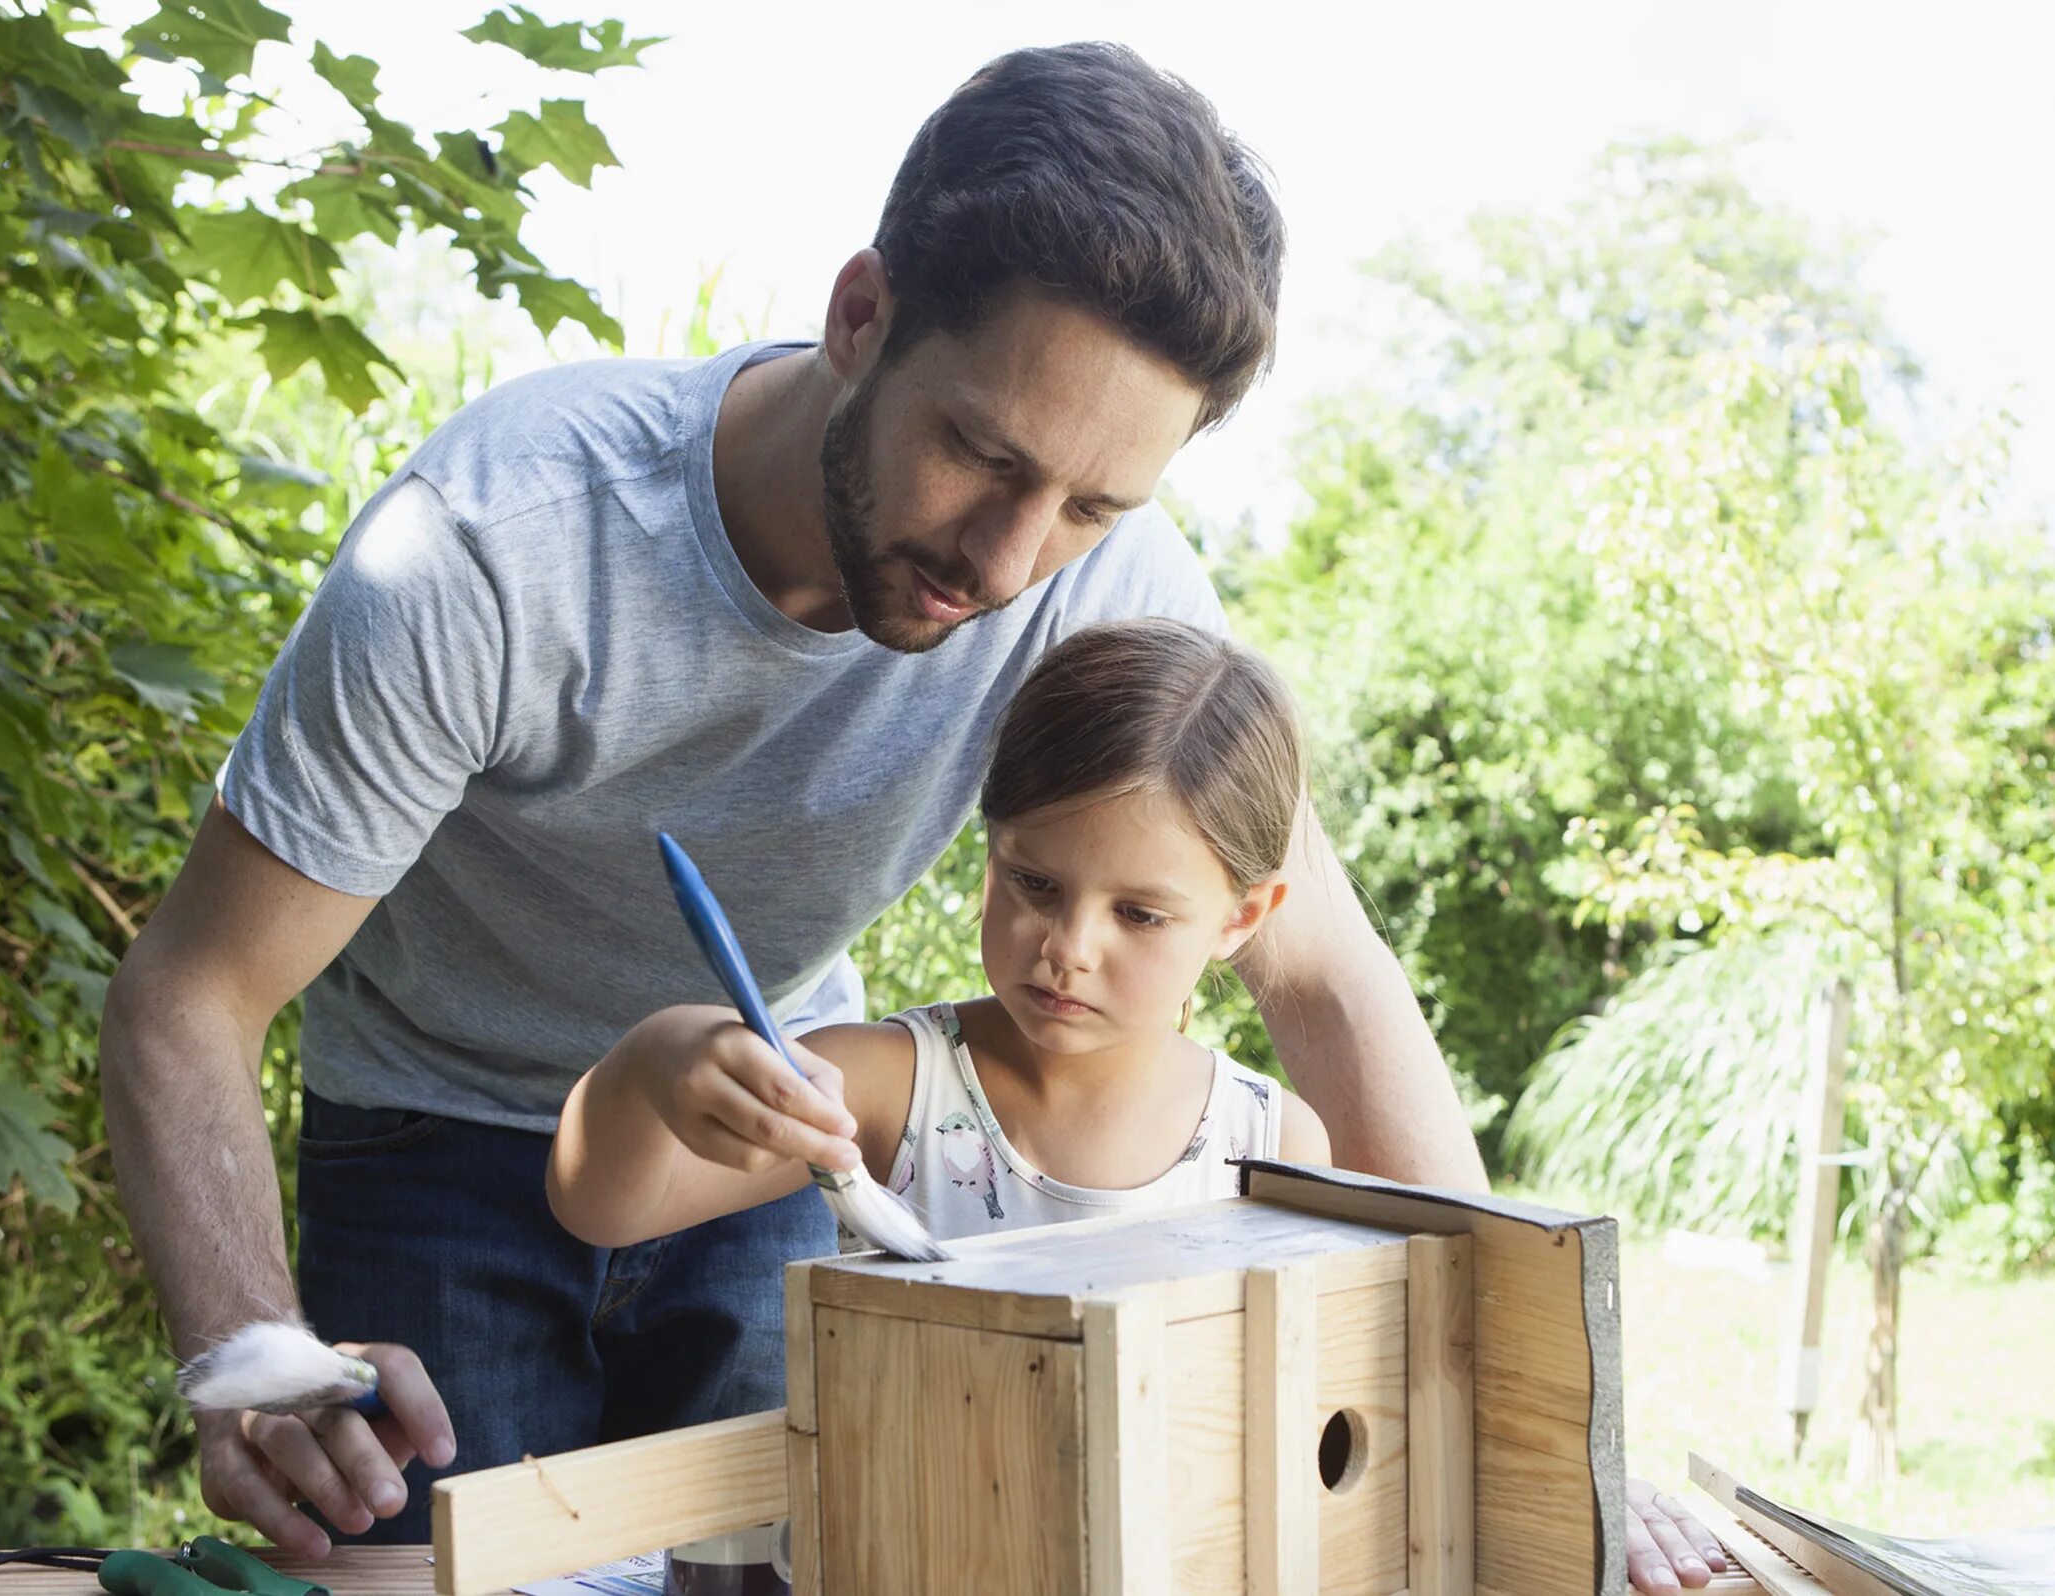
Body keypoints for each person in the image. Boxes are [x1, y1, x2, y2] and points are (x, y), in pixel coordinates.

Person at [100, 38, 1490, 1566]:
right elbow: (191, 995)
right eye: (982, 453)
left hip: (774, 1122)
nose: (1011, 561)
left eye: (1092, 506)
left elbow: (1323, 976)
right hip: (439, 1133)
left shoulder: (1113, 597)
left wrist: (1528, 1409)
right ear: (859, 315)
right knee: (427, 1572)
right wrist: (249, 1349)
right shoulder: (494, 544)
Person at [549, 619, 1336, 1250]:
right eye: (1035, 884)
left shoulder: (1274, 1144)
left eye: (1138, 915)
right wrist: (652, 1060)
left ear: (1241, 917)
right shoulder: (882, 1087)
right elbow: (602, 1213)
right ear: (992, 858)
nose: (1068, 950)